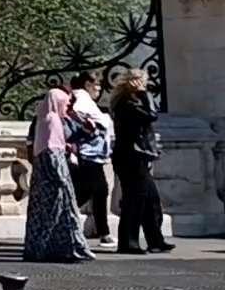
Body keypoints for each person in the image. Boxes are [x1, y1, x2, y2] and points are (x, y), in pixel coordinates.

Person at [21, 83, 93, 262]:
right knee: (61, 215)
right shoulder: (52, 120)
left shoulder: (46, 118)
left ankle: (45, 250)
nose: (68, 106)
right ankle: (70, 249)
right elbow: (52, 150)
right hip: (54, 178)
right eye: (66, 103)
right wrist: (60, 177)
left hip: (44, 178)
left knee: (45, 216)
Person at [110, 69, 174, 254]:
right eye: (139, 81)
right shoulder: (126, 103)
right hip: (131, 156)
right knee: (134, 200)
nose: (142, 85)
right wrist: (145, 95)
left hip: (139, 155)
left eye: (143, 81)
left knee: (151, 199)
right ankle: (128, 242)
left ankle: (155, 240)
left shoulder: (134, 101)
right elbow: (151, 115)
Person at [67, 71, 115, 251]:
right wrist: (92, 128)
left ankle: (103, 232)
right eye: (97, 85)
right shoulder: (82, 99)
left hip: (90, 154)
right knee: (95, 190)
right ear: (87, 84)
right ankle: (103, 232)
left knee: (93, 191)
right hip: (87, 154)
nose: (99, 89)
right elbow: (77, 117)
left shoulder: (82, 99)